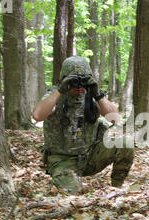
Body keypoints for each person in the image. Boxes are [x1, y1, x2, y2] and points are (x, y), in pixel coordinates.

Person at [32, 56, 134, 194]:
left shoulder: (91, 95)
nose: (78, 86)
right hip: (63, 160)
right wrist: (60, 91)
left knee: (125, 143)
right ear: (63, 79)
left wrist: (97, 94)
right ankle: (64, 181)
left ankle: (117, 188)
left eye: (83, 80)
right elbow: (37, 115)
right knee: (72, 197)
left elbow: (115, 118)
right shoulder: (54, 96)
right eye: (73, 81)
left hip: (91, 156)